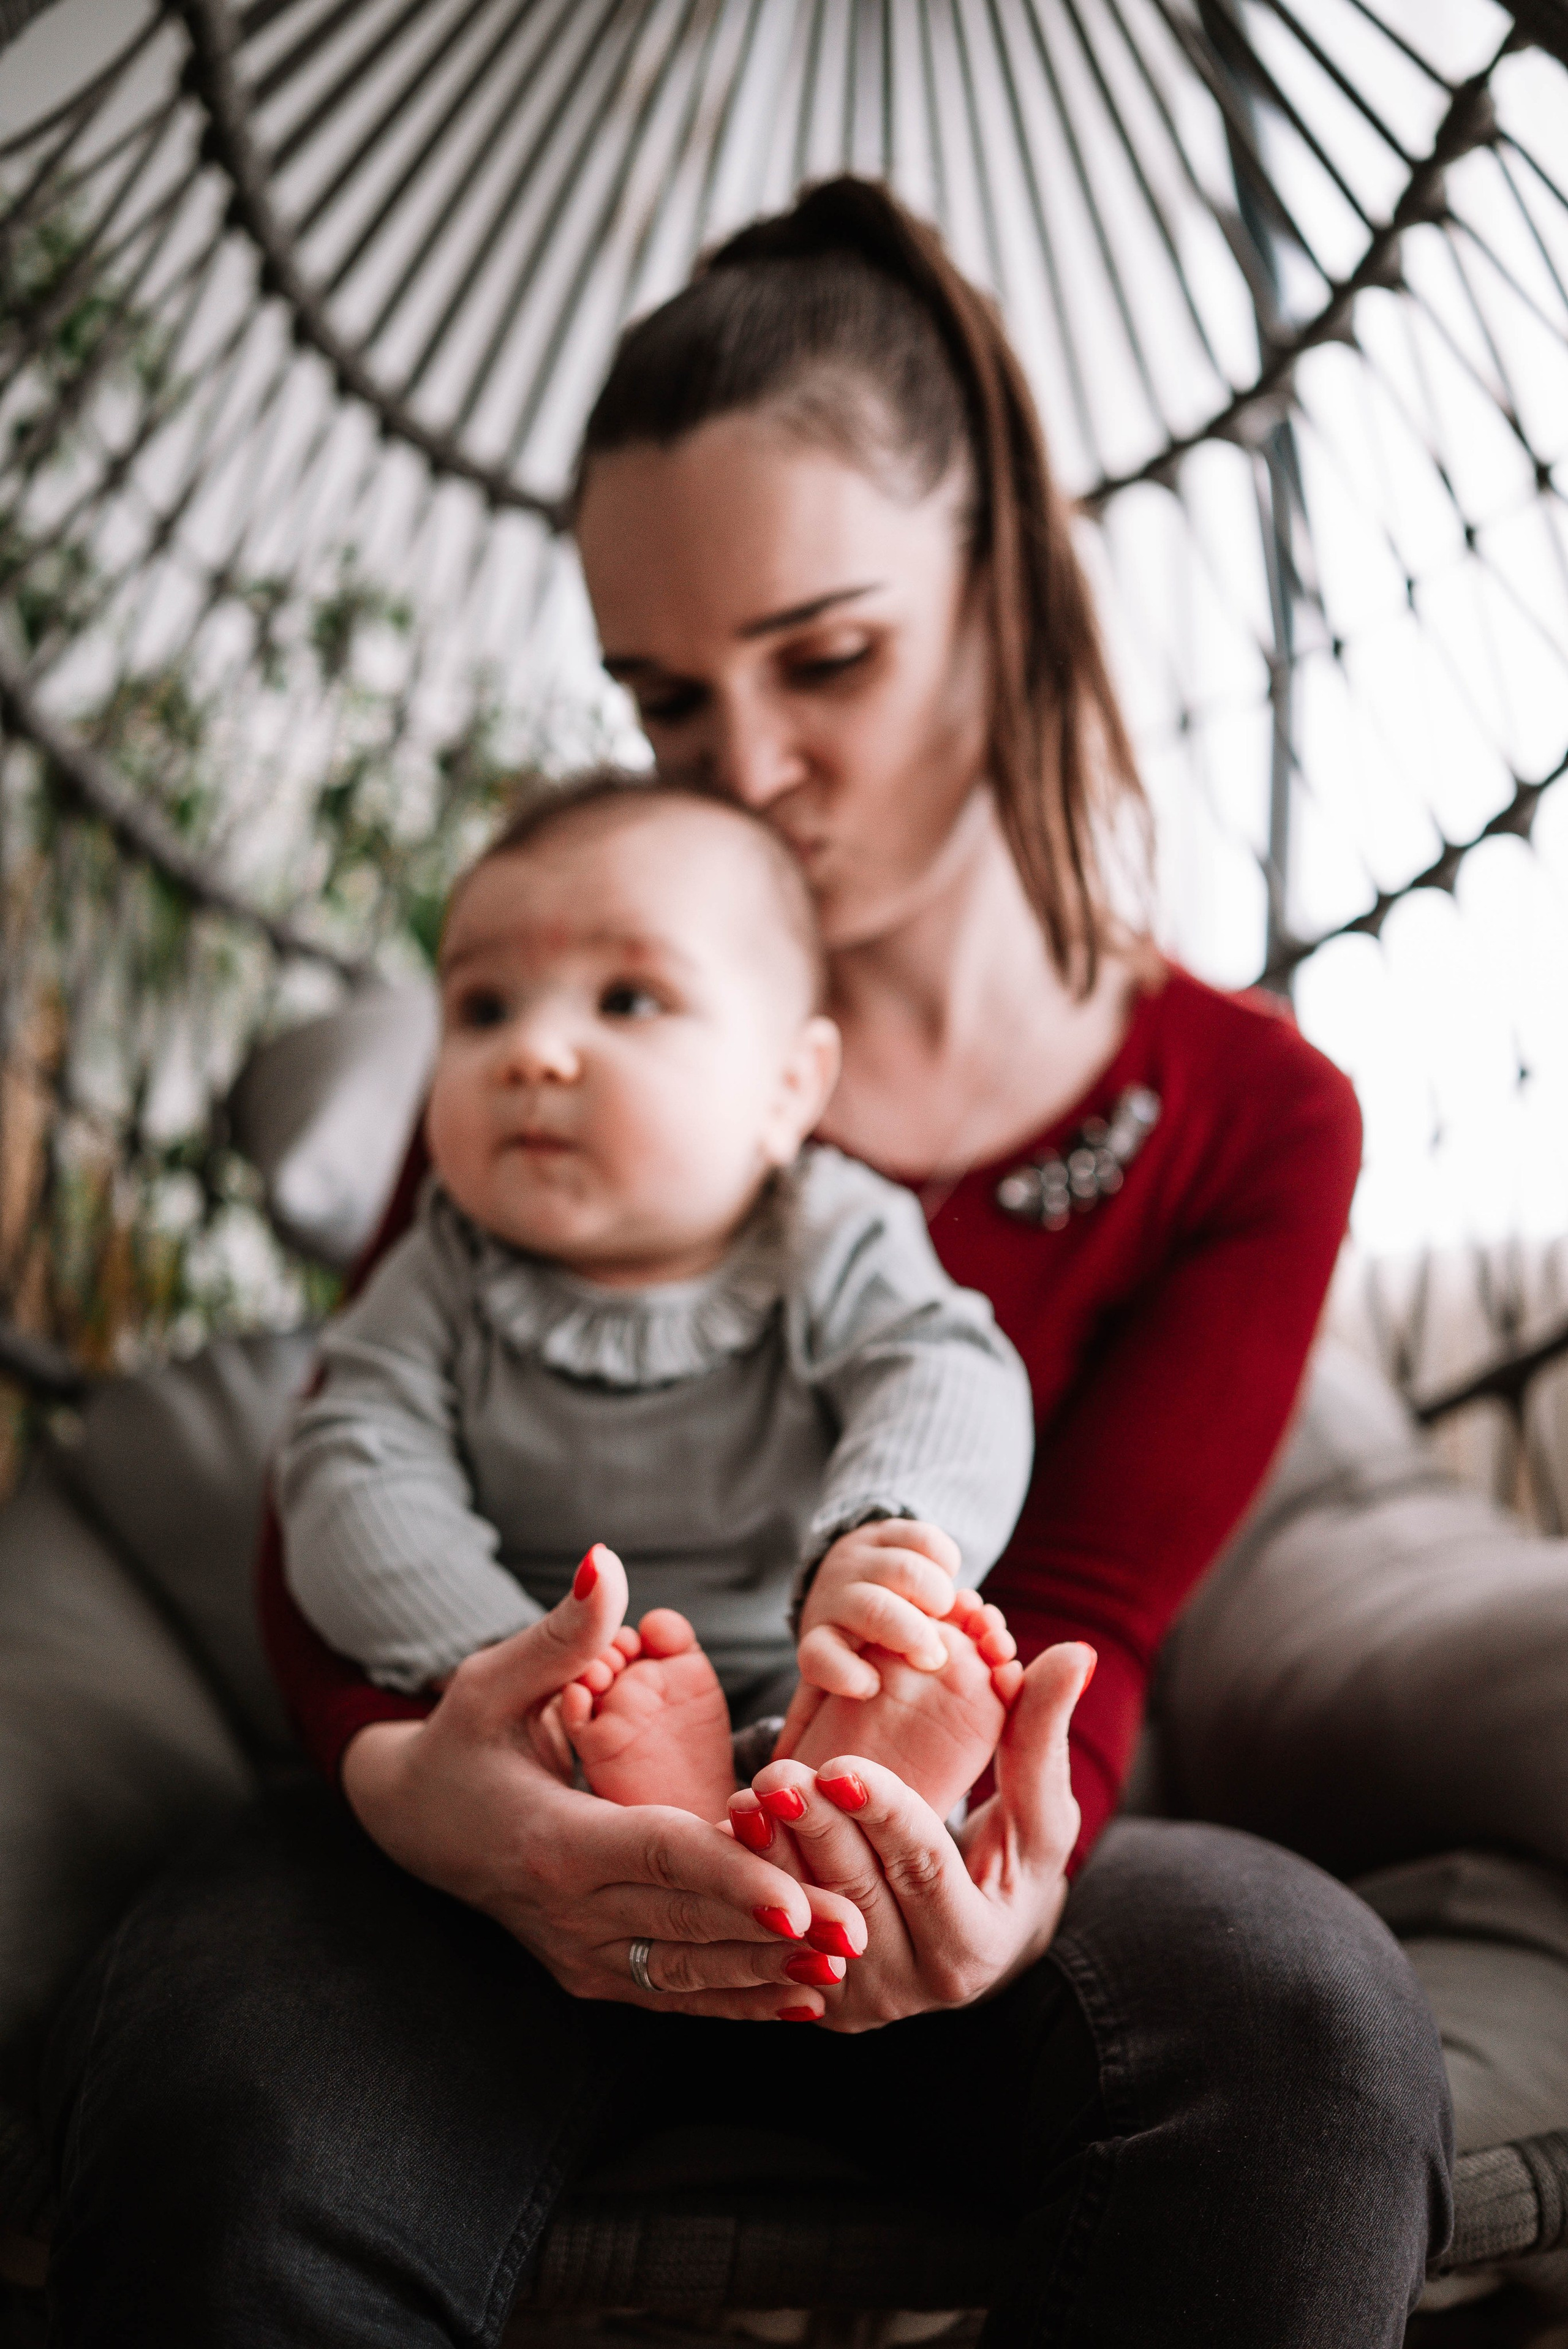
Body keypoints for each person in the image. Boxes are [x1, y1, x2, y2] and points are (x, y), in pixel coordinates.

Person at [43, 178, 1452, 2346]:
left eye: (828, 659)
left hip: (905, 1826)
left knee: (1307, 2030)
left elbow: (1084, 1615)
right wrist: (434, 1791)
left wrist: (983, 1862)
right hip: (486, 1831)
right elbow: (348, 1472)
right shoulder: (579, 1014)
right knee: (221, 2095)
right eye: (667, 700)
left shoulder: (1250, 1113)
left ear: (1002, 583)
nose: (750, 772)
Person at [277, 774, 1035, 1834]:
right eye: (483, 1009)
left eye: (628, 1000)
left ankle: (860, 1756)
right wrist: (515, 1663)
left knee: (881, 1663)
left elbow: (946, 1371)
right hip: (543, 1704)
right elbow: (353, 1470)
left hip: (795, 1666)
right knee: (573, 1749)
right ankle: (695, 1788)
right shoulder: (443, 1267)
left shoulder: (830, 1230)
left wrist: (889, 1538)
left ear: (788, 1088)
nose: (532, 1053)